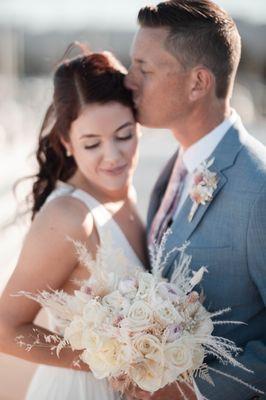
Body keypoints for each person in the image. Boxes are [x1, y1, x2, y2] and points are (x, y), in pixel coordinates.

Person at [125, 0, 266, 399]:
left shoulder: (258, 189)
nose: (129, 81)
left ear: (198, 83)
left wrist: (190, 393)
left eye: (144, 69)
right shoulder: (174, 166)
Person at [0, 46, 149, 400]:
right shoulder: (68, 217)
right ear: (67, 143)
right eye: (92, 143)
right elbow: (6, 329)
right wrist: (108, 360)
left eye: (124, 135)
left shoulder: (128, 197)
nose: (113, 156)